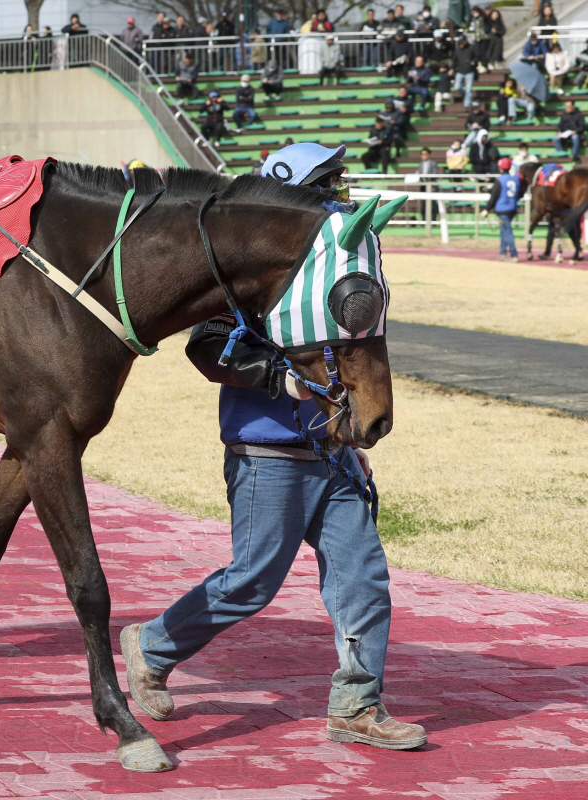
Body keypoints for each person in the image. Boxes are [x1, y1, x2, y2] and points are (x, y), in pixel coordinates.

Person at [120, 141, 426, 753]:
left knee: (362, 574)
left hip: (330, 453)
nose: (339, 195)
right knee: (252, 582)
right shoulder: (239, 274)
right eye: (328, 184)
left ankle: (356, 706)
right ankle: (151, 646)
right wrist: (279, 378)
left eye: (339, 182)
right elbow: (205, 349)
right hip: (266, 455)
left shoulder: (334, 267)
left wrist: (349, 435)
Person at [483, 157, 520, 261]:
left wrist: (487, 209)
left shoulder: (500, 181)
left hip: (502, 209)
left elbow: (494, 196)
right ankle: (502, 252)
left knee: (507, 232)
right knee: (503, 230)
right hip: (512, 208)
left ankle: (514, 254)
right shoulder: (515, 180)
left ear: (501, 169)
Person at [452, 36, 476, 108]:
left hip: (469, 71)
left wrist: (473, 62)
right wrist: (453, 68)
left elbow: (476, 56)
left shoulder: (471, 48)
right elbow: (454, 61)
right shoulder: (457, 51)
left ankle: (466, 105)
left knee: (469, 89)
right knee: (457, 87)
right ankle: (467, 96)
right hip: (460, 71)